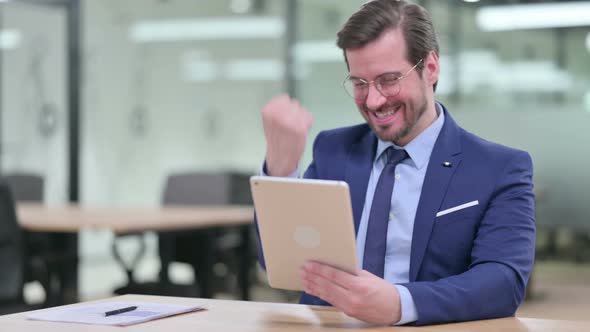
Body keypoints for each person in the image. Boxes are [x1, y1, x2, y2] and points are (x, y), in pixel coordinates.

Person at [256, 0, 535, 326]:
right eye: (359, 83)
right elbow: (277, 262)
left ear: (430, 68)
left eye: (388, 79)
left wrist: (401, 304)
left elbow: (503, 283)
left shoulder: (499, 168)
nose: (373, 100)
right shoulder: (334, 149)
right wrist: (281, 169)